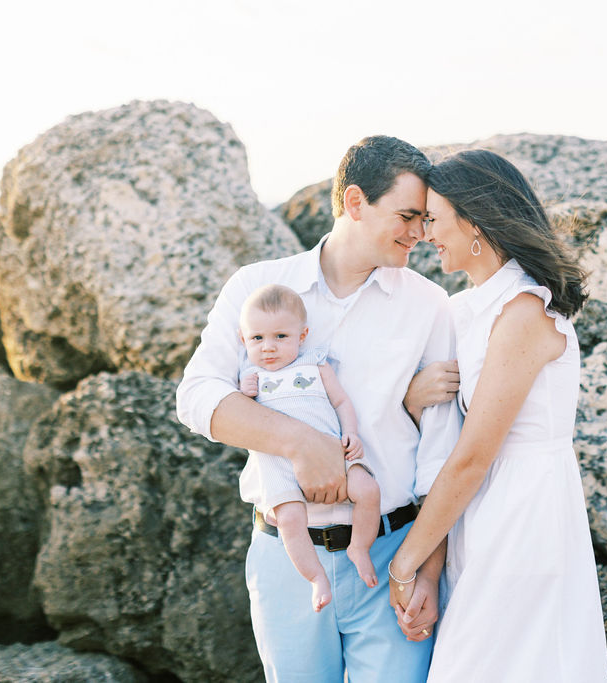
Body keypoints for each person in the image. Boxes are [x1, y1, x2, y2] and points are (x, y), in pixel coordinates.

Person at [175, 135, 461, 683]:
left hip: (393, 556)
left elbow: (441, 454)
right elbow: (196, 396)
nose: (421, 234)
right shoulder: (257, 287)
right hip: (287, 556)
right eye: (407, 215)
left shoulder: (429, 305)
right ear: (355, 203)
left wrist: (428, 574)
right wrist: (300, 444)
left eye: (426, 219)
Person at [388, 149, 607, 681]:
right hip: (484, 513)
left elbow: (472, 456)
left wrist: (405, 564)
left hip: (524, 516)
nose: (424, 233)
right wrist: (412, 398)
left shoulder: (524, 311)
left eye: (434, 219)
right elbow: (448, 440)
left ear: (474, 221)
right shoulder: (470, 307)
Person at [236, 283, 380, 612]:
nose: (268, 347)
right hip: (278, 465)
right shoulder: (251, 376)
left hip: (332, 450)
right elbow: (242, 419)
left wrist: (351, 433)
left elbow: (342, 401)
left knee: (368, 490)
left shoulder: (316, 365)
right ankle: (315, 577)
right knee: (288, 519)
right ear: (244, 340)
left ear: (303, 335)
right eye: (257, 338)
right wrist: (244, 392)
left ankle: (360, 547)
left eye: (280, 337)